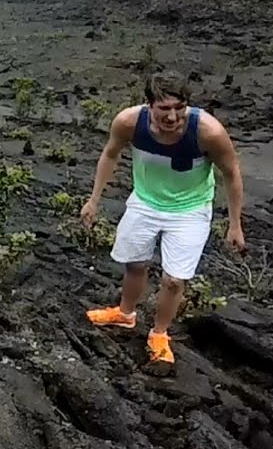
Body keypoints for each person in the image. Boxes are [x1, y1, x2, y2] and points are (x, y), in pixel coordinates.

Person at [80, 71, 246, 371]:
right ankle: (126, 314)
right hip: (145, 201)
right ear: (149, 106)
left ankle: (159, 334)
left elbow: (231, 173)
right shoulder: (129, 123)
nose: (172, 117)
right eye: (164, 109)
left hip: (190, 210)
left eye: (179, 108)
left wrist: (235, 224)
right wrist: (94, 199)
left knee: (173, 279)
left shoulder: (207, 132)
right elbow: (110, 154)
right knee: (135, 263)